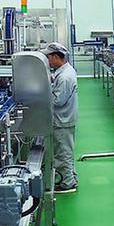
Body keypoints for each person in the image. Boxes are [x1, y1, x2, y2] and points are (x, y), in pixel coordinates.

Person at [40, 42, 79, 193]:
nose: (48, 60)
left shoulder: (64, 77)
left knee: (63, 152)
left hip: (63, 119)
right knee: (65, 150)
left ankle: (67, 184)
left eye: (48, 57)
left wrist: (41, 97)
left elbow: (58, 100)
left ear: (56, 57)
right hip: (64, 118)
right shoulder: (64, 71)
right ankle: (70, 178)